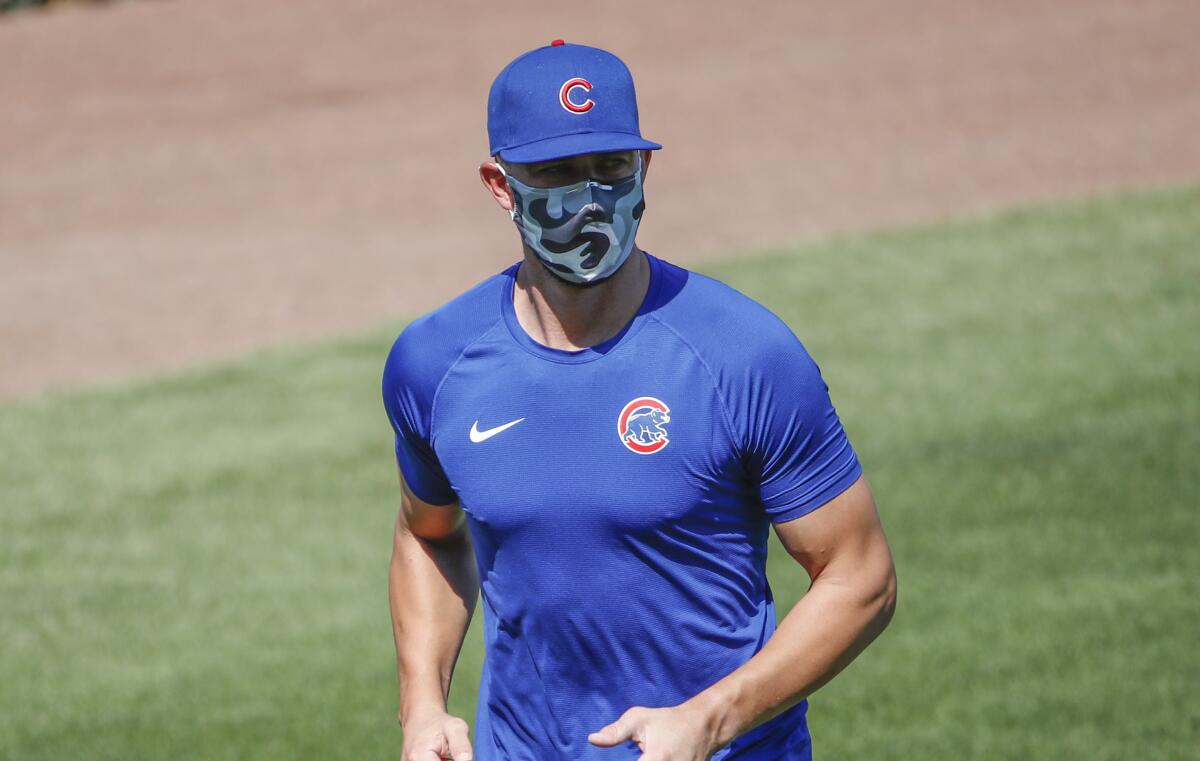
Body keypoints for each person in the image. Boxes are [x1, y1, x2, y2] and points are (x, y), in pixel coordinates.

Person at [383, 40, 897, 761]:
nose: (590, 197)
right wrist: (422, 707)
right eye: (557, 173)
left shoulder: (744, 354)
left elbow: (861, 576)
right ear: (500, 186)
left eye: (610, 168)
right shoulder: (436, 362)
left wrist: (709, 720)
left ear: (644, 169)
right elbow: (429, 533)